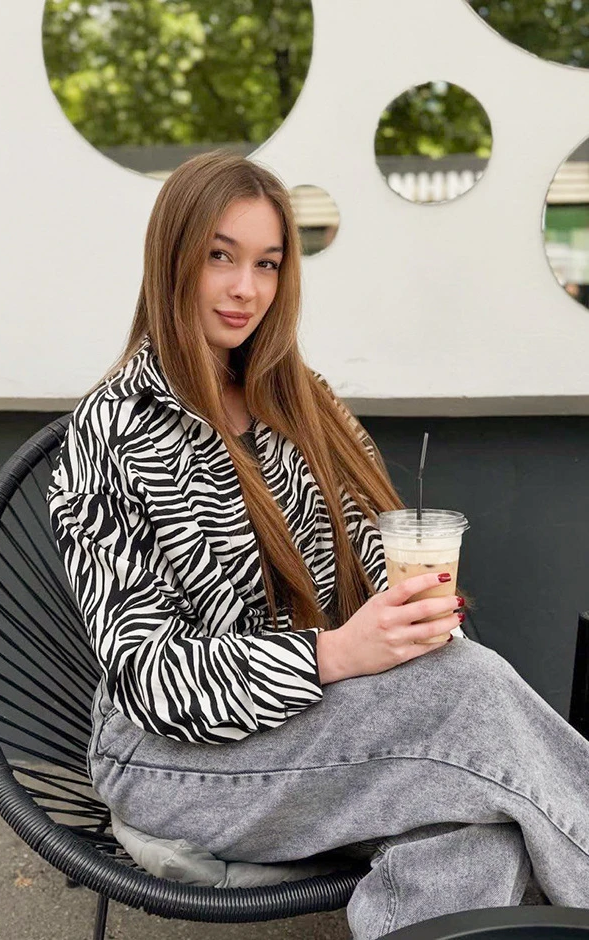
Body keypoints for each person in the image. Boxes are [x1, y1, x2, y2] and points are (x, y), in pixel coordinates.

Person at [47, 150, 589, 939]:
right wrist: (331, 654)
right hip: (173, 760)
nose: (246, 288)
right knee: (469, 693)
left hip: (319, 723)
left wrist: (403, 615)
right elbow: (148, 676)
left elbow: (368, 556)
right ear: (172, 258)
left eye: (267, 263)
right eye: (221, 257)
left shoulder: (300, 398)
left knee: (476, 826)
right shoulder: (113, 431)